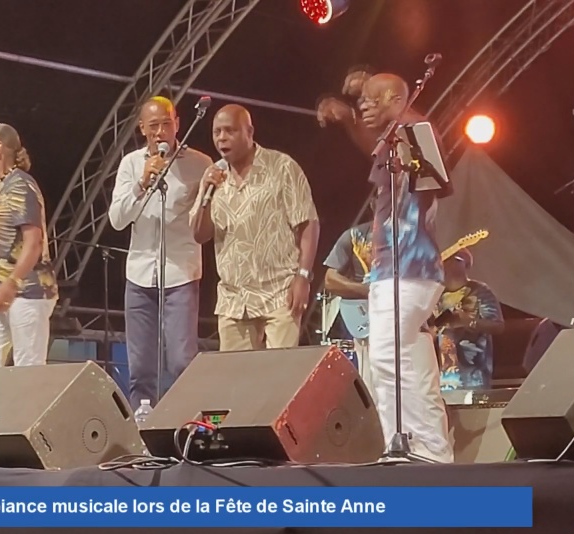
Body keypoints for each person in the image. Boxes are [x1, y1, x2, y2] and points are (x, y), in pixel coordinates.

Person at [355, 73, 453, 462]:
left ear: (394, 97)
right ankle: (433, 450)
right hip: (400, 268)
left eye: (370, 99)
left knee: (385, 356)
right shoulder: (393, 139)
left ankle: (407, 445)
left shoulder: (413, 133)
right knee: (412, 358)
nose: (362, 105)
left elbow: (437, 181)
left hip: (407, 266)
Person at [108, 96, 212, 408]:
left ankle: (186, 419)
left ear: (178, 123)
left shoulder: (199, 164)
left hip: (181, 272)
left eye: (167, 123)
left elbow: (207, 219)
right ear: (142, 129)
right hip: (140, 274)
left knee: (181, 361)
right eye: (153, 126)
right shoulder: (131, 164)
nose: (161, 131)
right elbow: (116, 220)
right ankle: (143, 424)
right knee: (140, 366)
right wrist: (142, 183)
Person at [192, 104, 319, 352]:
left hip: (280, 292)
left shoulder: (282, 167)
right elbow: (199, 234)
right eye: (217, 132)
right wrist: (205, 193)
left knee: (279, 378)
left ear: (249, 132)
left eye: (230, 131)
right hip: (233, 298)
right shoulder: (214, 176)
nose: (221, 138)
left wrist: (303, 277)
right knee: (237, 383)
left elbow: (308, 223)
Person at [0, 123, 58, 376]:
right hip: (0, 296)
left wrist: (13, 281)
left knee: (27, 370)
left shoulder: (20, 185)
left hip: (26, 292)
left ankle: (29, 417)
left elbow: (34, 242)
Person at [322, 197, 376, 394]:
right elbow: (330, 280)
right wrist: (366, 291)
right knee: (372, 385)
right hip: (368, 319)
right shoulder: (355, 235)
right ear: (374, 203)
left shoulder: (409, 236)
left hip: (401, 320)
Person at [431, 249, 504, 391]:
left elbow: (498, 326)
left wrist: (468, 322)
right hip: (444, 379)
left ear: (463, 264)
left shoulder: (480, 291)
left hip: (474, 376)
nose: (444, 264)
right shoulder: (437, 295)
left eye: (451, 260)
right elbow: (431, 330)